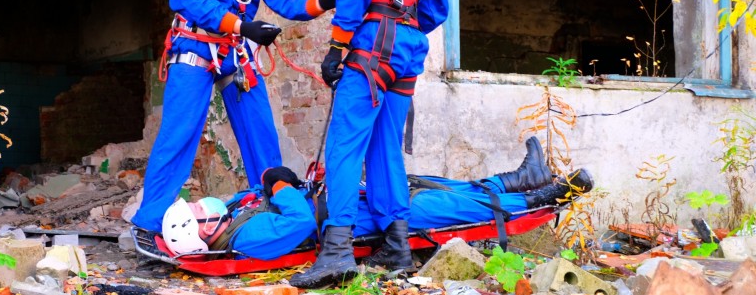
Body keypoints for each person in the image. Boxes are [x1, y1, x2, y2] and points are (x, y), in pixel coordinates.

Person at [132, 0, 341, 233]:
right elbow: (194, 0)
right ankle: (149, 225)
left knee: (262, 133)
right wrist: (244, 27)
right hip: (196, 44)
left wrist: (323, 0)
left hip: (235, 52)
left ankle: (279, 217)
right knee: (178, 136)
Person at [292, 0, 449, 287]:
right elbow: (438, 7)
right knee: (386, 149)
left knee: (344, 147)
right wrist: (404, 27)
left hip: (372, 52)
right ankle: (397, 247)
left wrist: (339, 44)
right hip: (406, 55)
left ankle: (338, 252)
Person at [155, 137, 595, 266]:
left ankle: (519, 179)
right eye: (196, 214)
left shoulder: (232, 214)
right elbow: (300, 224)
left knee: (431, 184)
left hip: (348, 200)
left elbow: (256, 191)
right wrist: (281, 186)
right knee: (440, 211)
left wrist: (273, 179)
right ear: (202, 235)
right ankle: (545, 196)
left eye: (194, 205)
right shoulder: (248, 237)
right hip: (355, 221)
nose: (201, 205)